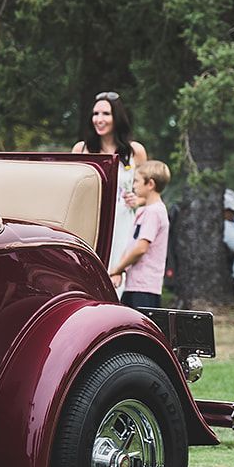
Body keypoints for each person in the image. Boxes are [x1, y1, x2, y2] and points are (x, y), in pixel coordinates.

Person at [72, 91, 148, 282]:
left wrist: (136, 200)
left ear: (117, 117)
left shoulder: (135, 151)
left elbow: (147, 193)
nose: (99, 119)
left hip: (123, 223)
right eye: (96, 114)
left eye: (105, 114)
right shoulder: (81, 149)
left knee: (118, 278)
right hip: (91, 221)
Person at [108, 160, 170, 308]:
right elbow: (131, 244)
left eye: (136, 181)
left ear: (150, 184)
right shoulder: (143, 211)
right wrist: (120, 271)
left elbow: (141, 248)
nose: (133, 185)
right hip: (133, 284)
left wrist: (117, 268)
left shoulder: (155, 212)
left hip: (145, 287)